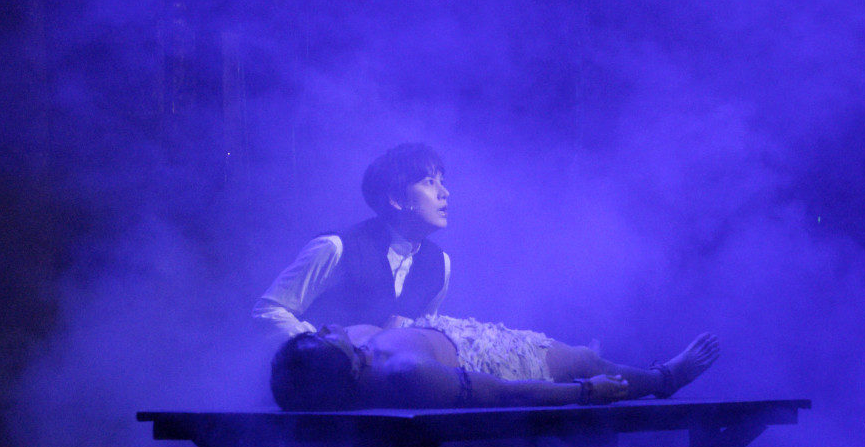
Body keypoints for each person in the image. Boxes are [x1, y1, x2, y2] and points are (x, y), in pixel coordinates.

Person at [270, 315, 720, 410]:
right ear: (348, 371)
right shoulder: (405, 373)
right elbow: (503, 393)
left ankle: (588, 362)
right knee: (585, 360)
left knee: (582, 355)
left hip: (461, 332)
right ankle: (664, 379)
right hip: (491, 362)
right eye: (323, 339)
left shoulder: (352, 343)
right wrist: (586, 391)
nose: (325, 328)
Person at [253, 143, 452, 339]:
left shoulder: (439, 263)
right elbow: (268, 310)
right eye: (429, 182)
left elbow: (425, 333)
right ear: (396, 199)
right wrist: (329, 347)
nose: (444, 193)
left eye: (441, 181)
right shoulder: (337, 247)